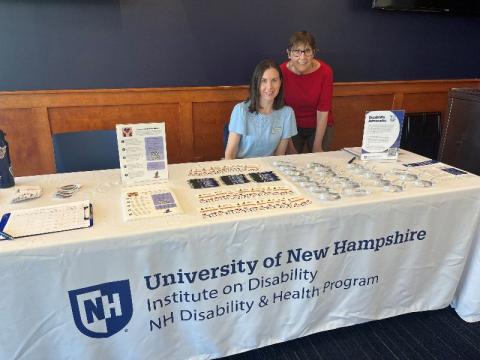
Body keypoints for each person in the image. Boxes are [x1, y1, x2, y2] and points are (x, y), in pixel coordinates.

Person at [225, 59, 297, 159]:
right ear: (256, 83)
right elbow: (230, 155)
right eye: (264, 81)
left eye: (274, 80)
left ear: (280, 82)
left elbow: (279, 156)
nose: (269, 87)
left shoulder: (287, 113)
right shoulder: (241, 110)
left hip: (270, 169)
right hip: (242, 169)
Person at [280, 30, 334, 154]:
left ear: (314, 52)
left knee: (319, 161)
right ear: (289, 53)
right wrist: (290, 146)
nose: (302, 57)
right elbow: (281, 112)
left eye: (307, 51)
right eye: (297, 52)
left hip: (319, 124)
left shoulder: (326, 72)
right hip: (291, 126)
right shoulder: (281, 72)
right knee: (290, 162)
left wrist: (317, 145)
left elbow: (323, 110)